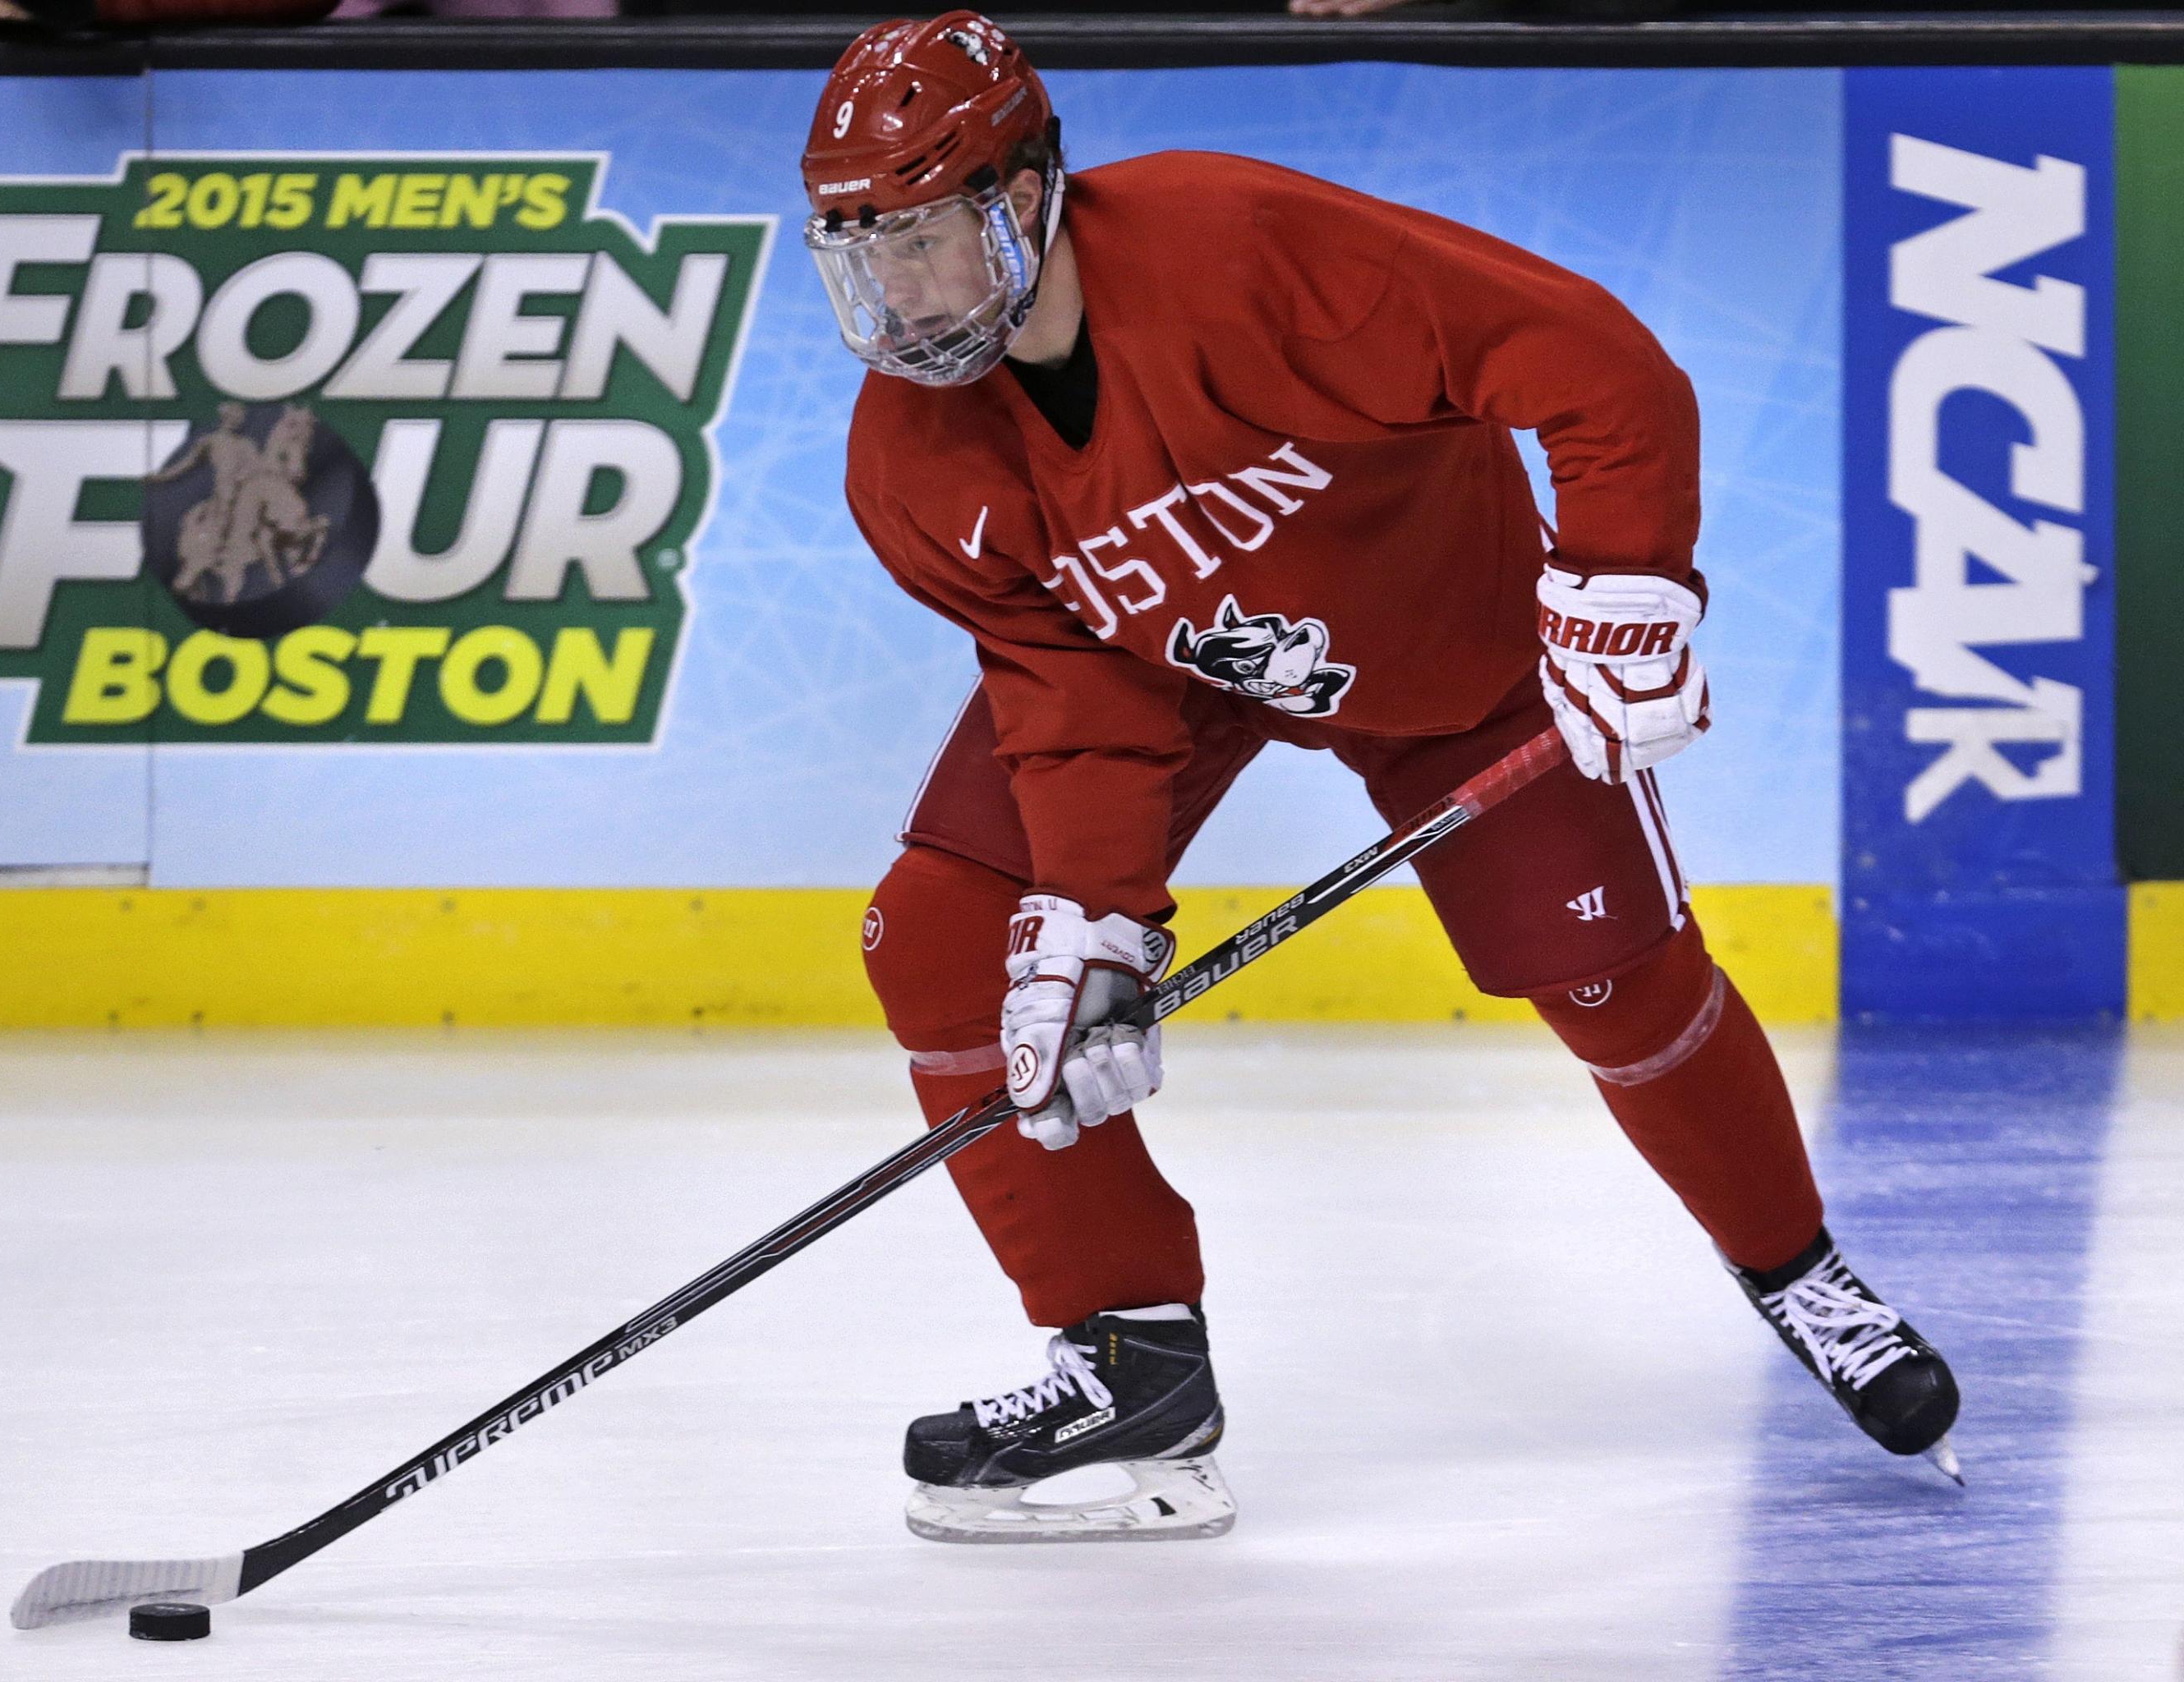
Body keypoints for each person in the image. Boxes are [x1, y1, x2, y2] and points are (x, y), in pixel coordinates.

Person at [800, 10, 1962, 1543]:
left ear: (1023, 196)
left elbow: (1592, 364)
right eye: (860, 253)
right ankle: (1127, 1359)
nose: (894, 293)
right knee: (951, 941)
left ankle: (1800, 1275)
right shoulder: (916, 463)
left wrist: (1625, 583)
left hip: (1449, 638)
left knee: (1613, 977)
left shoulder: (1239, 251)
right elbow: (1070, 687)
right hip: (1173, 667)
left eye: (923, 238)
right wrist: (1090, 916)